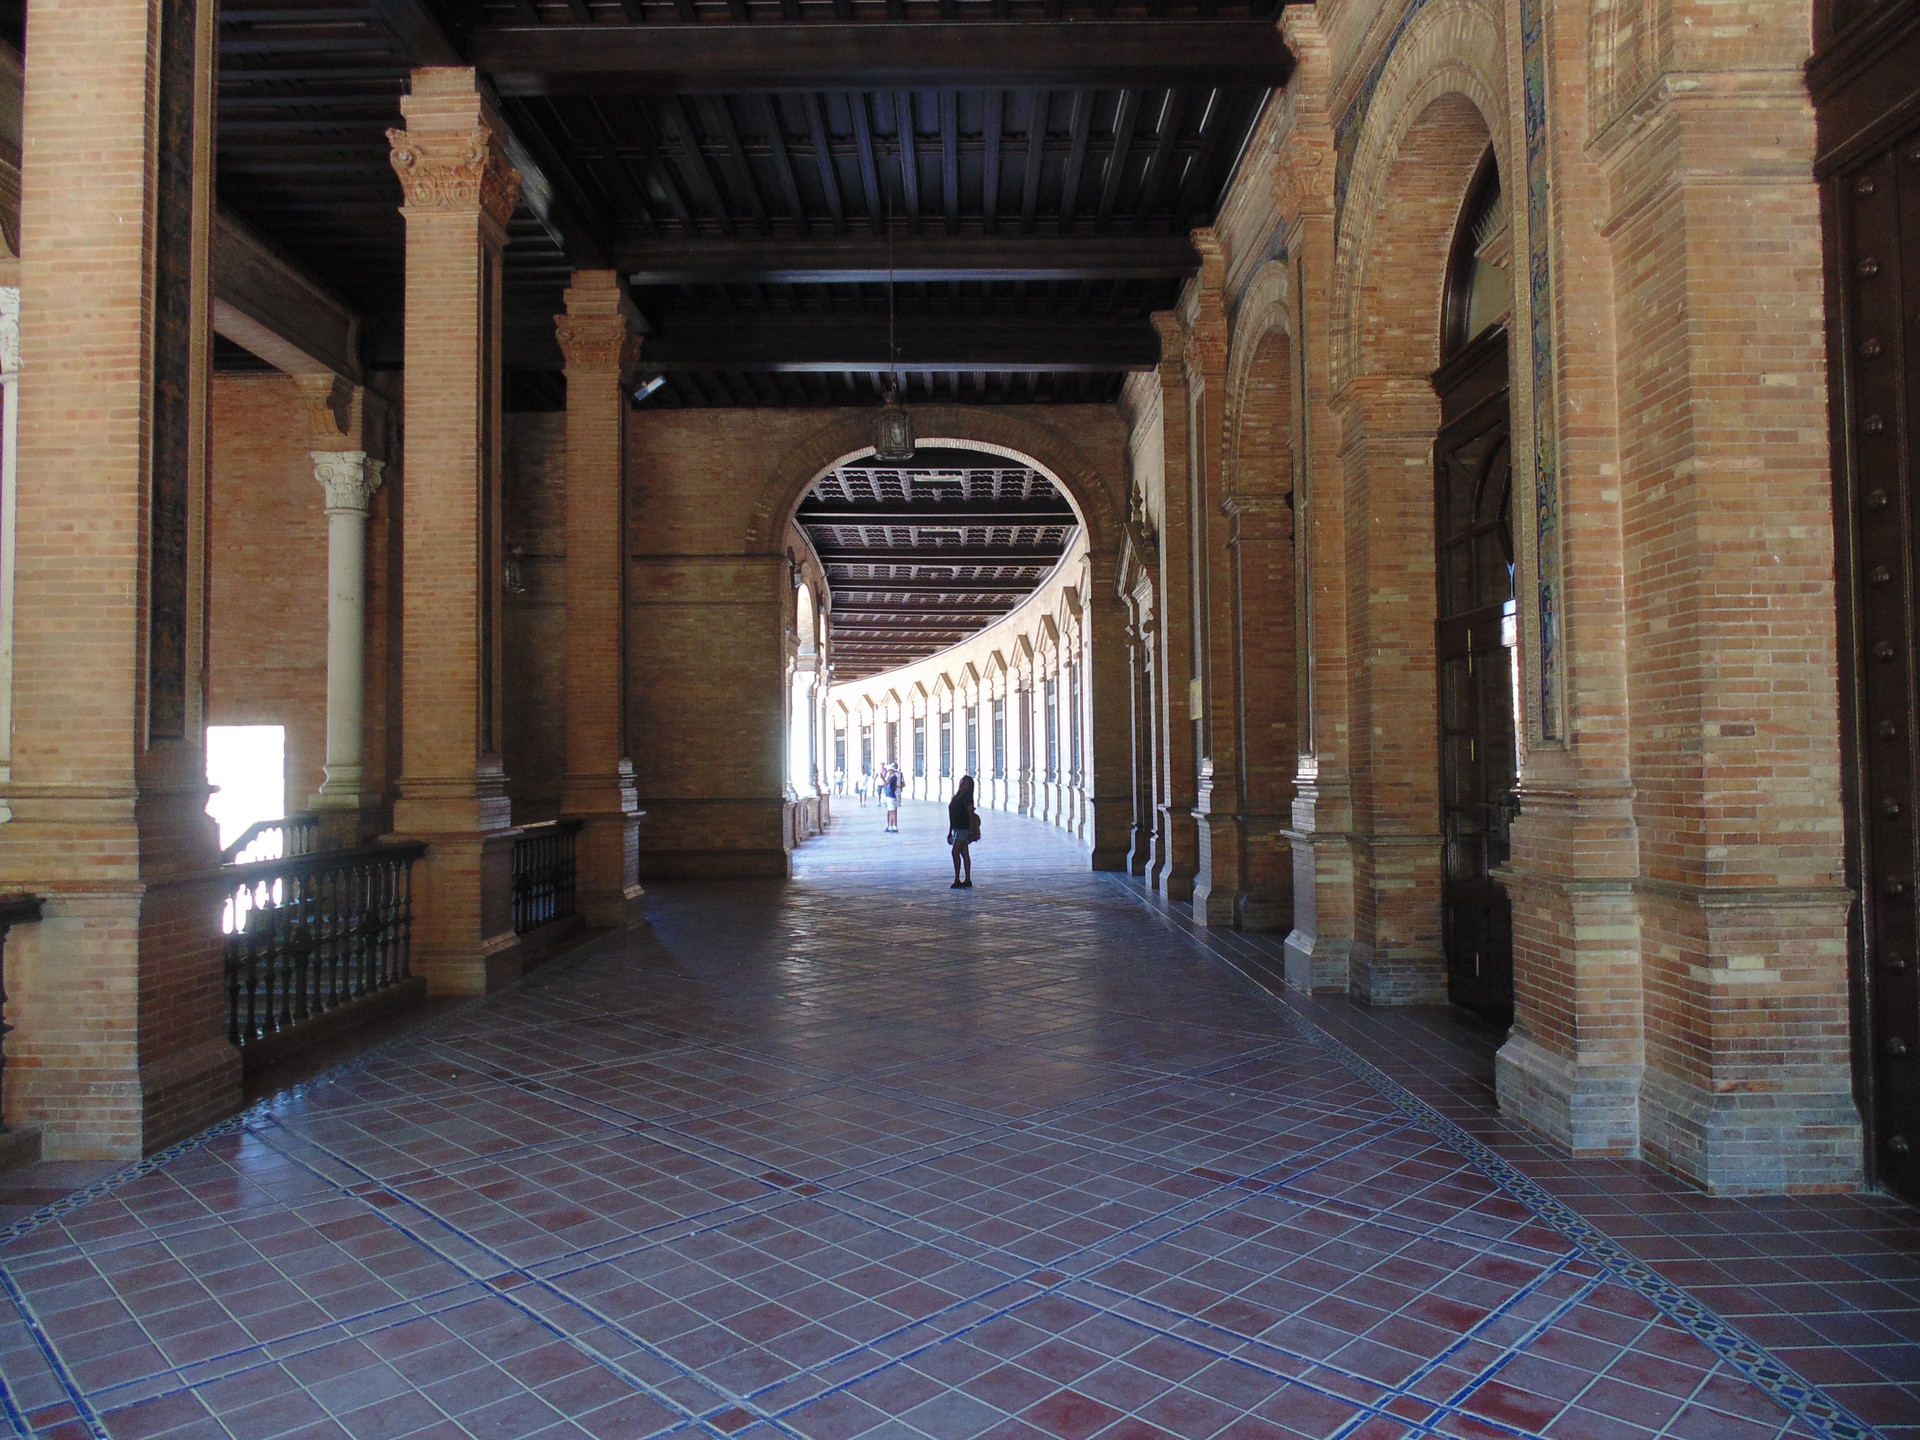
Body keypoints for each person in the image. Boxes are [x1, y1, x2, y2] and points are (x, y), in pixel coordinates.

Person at [947, 775, 979, 888]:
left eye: (966, 784)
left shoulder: (968, 799)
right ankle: (967, 879)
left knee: (955, 852)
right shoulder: (956, 797)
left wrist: (971, 832)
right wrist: (950, 831)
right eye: (963, 783)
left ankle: (957, 879)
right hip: (957, 828)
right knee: (964, 854)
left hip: (964, 829)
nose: (963, 786)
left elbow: (970, 816)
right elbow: (952, 815)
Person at [883, 766, 901, 832]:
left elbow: (886, 783)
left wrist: (882, 777)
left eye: (890, 770)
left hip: (891, 795)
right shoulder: (891, 777)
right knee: (890, 811)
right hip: (889, 795)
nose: (889, 771)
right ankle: (890, 826)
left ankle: (894, 826)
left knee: (892, 811)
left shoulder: (894, 777)